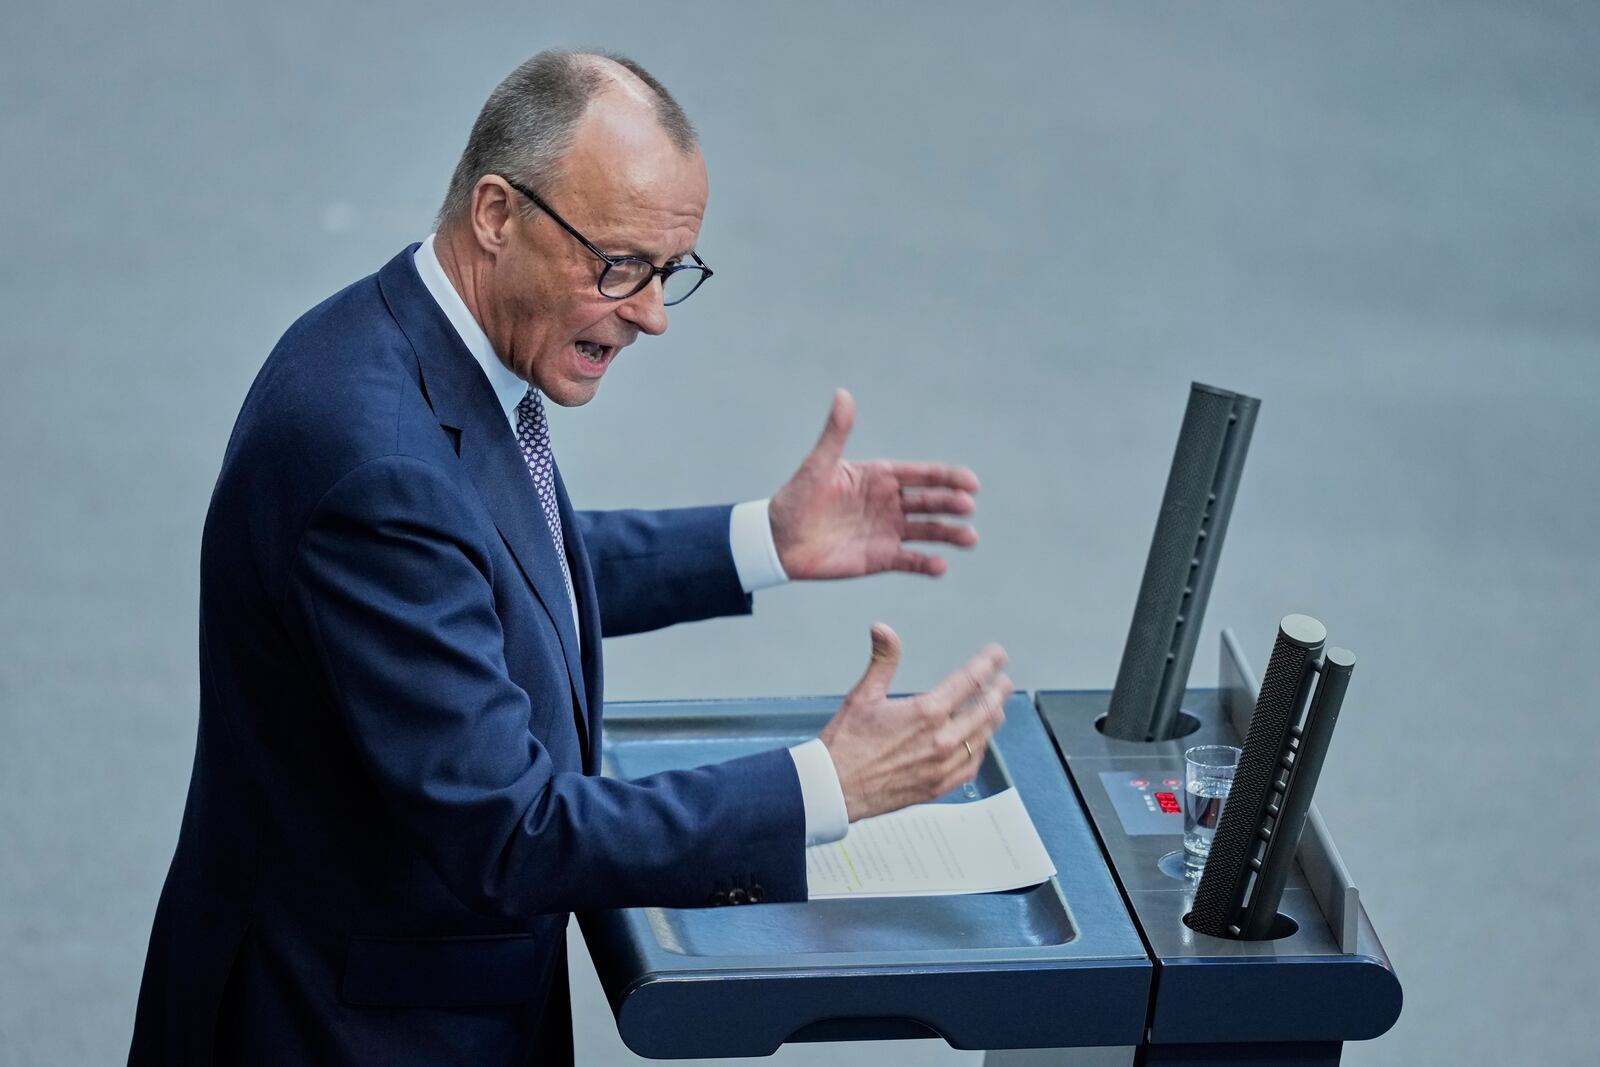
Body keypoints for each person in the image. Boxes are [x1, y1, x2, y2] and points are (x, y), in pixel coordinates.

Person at [129, 50, 1011, 1066]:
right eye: (618, 265)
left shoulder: (407, 351)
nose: (650, 313)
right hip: (345, 1031)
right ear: (498, 214)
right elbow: (510, 830)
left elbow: (493, 565)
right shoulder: (372, 458)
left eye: (669, 269)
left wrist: (759, 540)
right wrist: (822, 786)